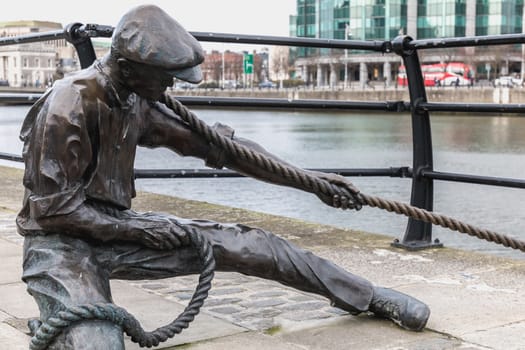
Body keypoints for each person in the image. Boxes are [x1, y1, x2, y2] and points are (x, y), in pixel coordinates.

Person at [17, 5, 430, 349]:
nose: (170, 86)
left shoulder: (137, 97)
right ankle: (64, 325)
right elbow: (53, 214)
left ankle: (366, 296)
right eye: (164, 77)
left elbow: (224, 149)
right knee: (99, 342)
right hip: (61, 245)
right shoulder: (69, 105)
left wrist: (312, 181)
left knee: (256, 245)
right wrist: (145, 232)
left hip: (119, 231)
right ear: (126, 66)